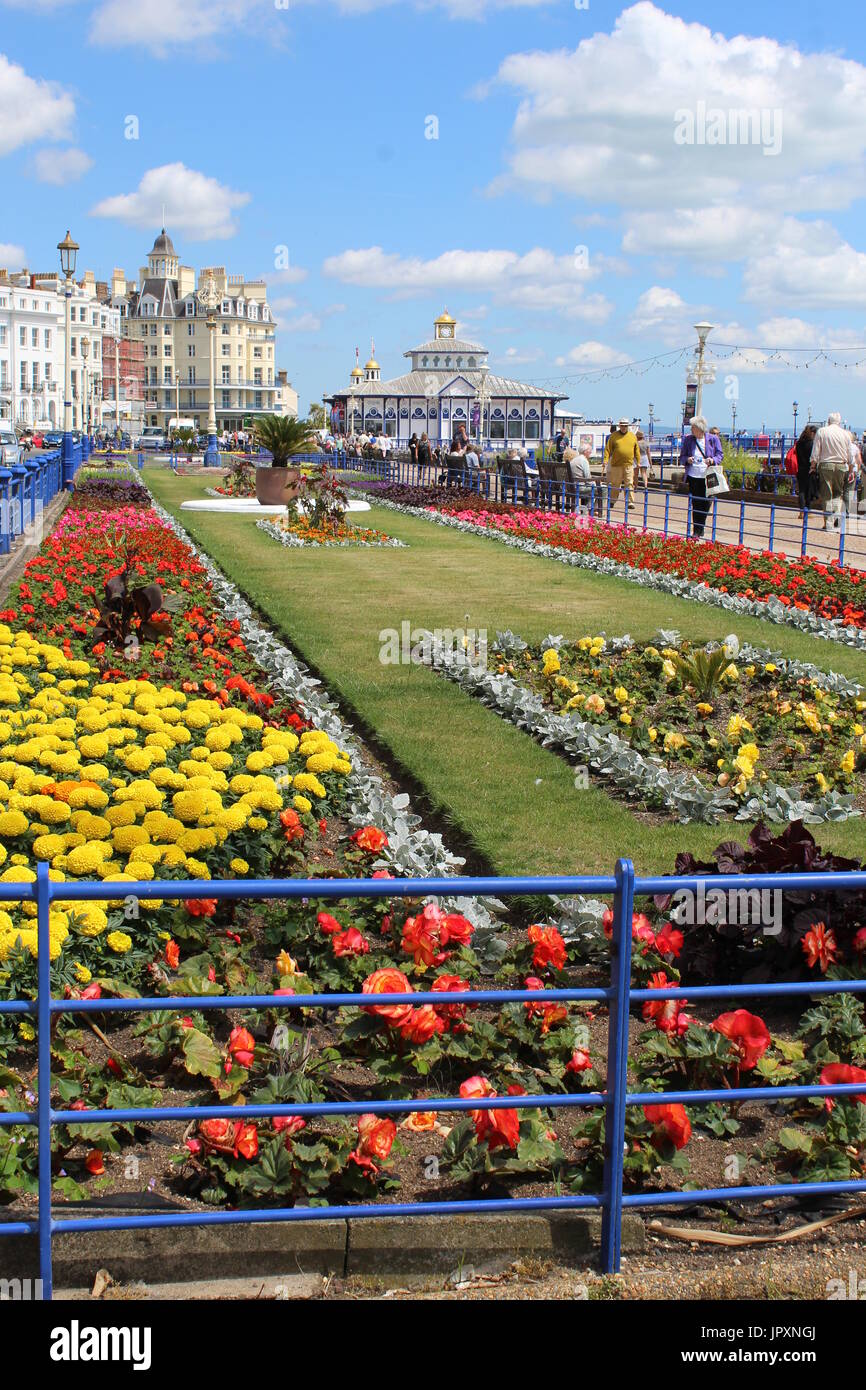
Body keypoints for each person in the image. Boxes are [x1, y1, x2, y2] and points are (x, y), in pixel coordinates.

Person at [679, 414, 722, 539]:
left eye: (693, 427)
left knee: (707, 502)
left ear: (700, 428)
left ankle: (700, 526)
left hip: (708, 474)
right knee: (696, 503)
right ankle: (697, 530)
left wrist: (712, 460)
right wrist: (688, 459)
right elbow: (682, 457)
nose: (691, 430)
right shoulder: (689, 440)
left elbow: (720, 454)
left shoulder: (713, 439)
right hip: (694, 475)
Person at [810, 412, 851, 530]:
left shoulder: (822, 432)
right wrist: (851, 468)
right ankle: (836, 519)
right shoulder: (845, 434)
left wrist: (813, 466)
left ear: (828, 421)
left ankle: (829, 522)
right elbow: (850, 454)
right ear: (839, 422)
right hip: (841, 465)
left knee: (827, 494)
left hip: (826, 465)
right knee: (838, 494)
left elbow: (816, 451)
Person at [603, 418, 640, 506]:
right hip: (616, 465)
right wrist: (605, 460)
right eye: (622, 425)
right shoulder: (614, 436)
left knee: (629, 483)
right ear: (619, 426)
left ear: (628, 426)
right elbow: (607, 449)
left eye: (625, 426)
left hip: (628, 464)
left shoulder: (632, 436)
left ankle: (630, 502)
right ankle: (612, 500)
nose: (624, 427)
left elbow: (636, 450)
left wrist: (638, 461)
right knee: (615, 484)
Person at [795, 424, 817, 517]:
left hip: (800, 468)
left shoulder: (799, 443)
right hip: (809, 469)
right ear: (812, 433)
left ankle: (801, 511)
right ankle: (807, 510)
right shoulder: (811, 444)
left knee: (801, 490)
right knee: (808, 491)